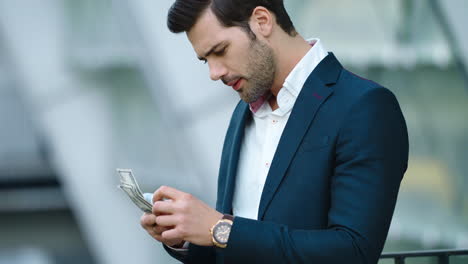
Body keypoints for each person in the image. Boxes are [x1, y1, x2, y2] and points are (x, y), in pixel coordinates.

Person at [140, 0, 409, 263]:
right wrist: (184, 236)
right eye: (205, 60)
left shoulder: (364, 106)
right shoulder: (243, 113)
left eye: (220, 50)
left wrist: (219, 228)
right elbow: (241, 244)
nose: (214, 72)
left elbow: (354, 252)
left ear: (262, 21)